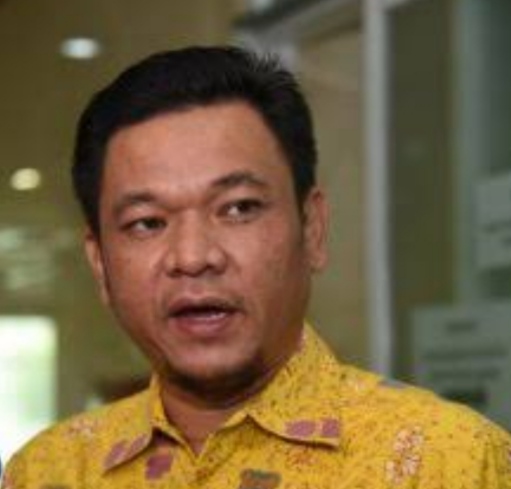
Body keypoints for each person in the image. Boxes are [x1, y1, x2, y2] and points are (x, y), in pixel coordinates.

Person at [2, 46, 510, 489]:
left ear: (312, 228)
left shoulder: (452, 462)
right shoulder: (49, 471)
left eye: (238, 208)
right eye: (147, 222)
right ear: (99, 263)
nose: (193, 257)